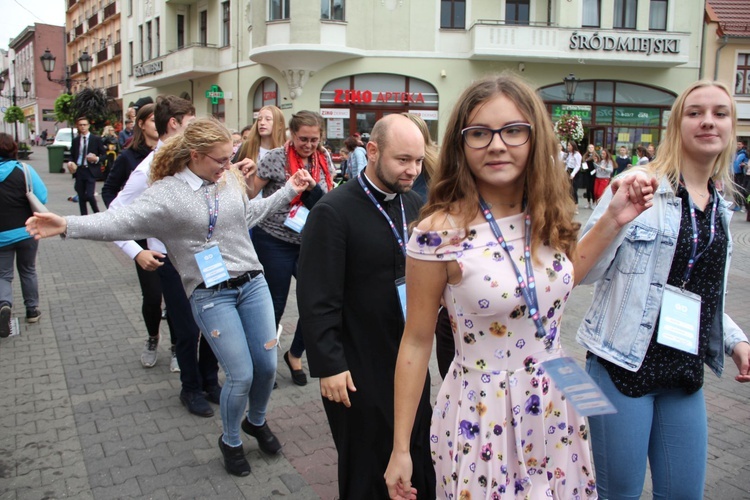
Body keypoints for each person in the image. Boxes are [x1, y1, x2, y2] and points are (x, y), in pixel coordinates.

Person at [383, 73, 656, 499]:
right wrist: (401, 448)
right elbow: (416, 341)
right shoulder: (438, 233)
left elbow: (560, 280)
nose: (496, 144)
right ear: (461, 143)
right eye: (480, 133)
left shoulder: (547, 213)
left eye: (512, 130)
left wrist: (614, 219)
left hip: (556, 398)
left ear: (535, 138)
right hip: (481, 408)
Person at [26, 118, 317, 477]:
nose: (230, 167)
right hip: (211, 294)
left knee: (268, 365)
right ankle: (230, 440)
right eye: (221, 160)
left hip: (252, 282)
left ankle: (255, 421)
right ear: (195, 155)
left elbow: (248, 215)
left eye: (231, 158)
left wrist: (288, 189)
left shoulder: (226, 180)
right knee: (240, 374)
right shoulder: (166, 195)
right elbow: (118, 221)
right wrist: (67, 224)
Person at [576, 80, 750, 498]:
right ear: (677, 126)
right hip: (620, 365)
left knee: (683, 493)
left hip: (683, 371)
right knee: (619, 492)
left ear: (732, 128)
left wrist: (735, 341)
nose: (708, 120)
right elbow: (580, 272)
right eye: (695, 113)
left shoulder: (722, 207)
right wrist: (614, 218)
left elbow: (703, 292)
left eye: (719, 113)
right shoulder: (638, 187)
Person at [298, 113, 435, 499]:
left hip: (409, 354)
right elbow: (316, 295)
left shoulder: (414, 203)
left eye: (419, 161)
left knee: (414, 451)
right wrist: (329, 364)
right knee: (367, 463)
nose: (412, 170)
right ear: (372, 151)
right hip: (356, 363)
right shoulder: (333, 211)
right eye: (403, 160)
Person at [109, 95, 222, 416]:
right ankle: (191, 388)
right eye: (191, 122)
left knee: (216, 321)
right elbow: (117, 211)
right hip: (172, 260)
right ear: (174, 124)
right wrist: (136, 251)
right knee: (186, 328)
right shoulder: (149, 168)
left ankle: (209, 381)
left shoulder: (196, 159)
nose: (196, 127)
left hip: (210, 256)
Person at [252, 110, 335, 387]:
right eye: (303, 139)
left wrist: (311, 190)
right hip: (273, 240)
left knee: (317, 303)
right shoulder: (275, 158)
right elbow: (252, 193)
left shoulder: (324, 160)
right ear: (291, 134)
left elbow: (326, 202)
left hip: (308, 242)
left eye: (314, 139)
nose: (309, 145)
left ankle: (295, 353)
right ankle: (264, 366)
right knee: (273, 306)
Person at [101, 103, 180, 369]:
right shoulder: (132, 158)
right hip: (146, 242)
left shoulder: (178, 156)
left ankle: (177, 347)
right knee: (152, 297)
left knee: (178, 302)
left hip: (175, 247)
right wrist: (134, 227)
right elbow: (112, 196)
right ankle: (152, 336)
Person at [0, 133, 47, 337]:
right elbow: (42, 196)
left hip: (1, 236)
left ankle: (4, 304)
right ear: (14, 149)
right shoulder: (25, 170)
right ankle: (32, 310)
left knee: (3, 275)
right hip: (27, 230)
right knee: (28, 270)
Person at [234, 105, 286, 197]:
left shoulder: (284, 151)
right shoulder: (247, 146)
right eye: (259, 119)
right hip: (248, 201)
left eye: (268, 119)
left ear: (280, 125)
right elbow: (232, 169)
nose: (262, 123)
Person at [67, 116, 107, 215]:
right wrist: (70, 163)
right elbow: (72, 155)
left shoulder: (95, 139)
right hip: (79, 170)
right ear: (78, 126)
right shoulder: (76, 140)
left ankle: (97, 214)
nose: (83, 127)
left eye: (84, 125)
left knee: (90, 195)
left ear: (88, 126)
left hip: (90, 170)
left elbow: (105, 155)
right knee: (81, 196)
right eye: (80, 125)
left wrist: (96, 159)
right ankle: (83, 216)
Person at [581, 143, 599, 209]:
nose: (590, 149)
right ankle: (588, 202)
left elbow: (598, 164)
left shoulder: (596, 156)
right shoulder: (585, 156)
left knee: (592, 188)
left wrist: (595, 161)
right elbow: (583, 164)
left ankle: (594, 202)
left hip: (594, 173)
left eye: (592, 147)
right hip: (587, 173)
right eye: (589, 147)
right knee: (588, 188)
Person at [564, 140, 582, 208]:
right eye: (568, 145)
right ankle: (569, 203)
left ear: (573, 146)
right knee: (568, 188)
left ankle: (576, 205)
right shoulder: (569, 154)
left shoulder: (577, 154)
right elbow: (567, 164)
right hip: (568, 170)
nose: (568, 147)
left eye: (569, 145)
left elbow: (578, 165)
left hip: (574, 172)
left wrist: (573, 174)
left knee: (573, 189)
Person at [733, 139, 748, 212]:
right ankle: (737, 204)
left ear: (743, 145)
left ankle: (740, 205)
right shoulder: (736, 153)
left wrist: (744, 164)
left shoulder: (744, 154)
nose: (738, 145)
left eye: (739, 144)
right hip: (734, 173)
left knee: (739, 190)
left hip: (741, 174)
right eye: (737, 144)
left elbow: (747, 162)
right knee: (735, 189)